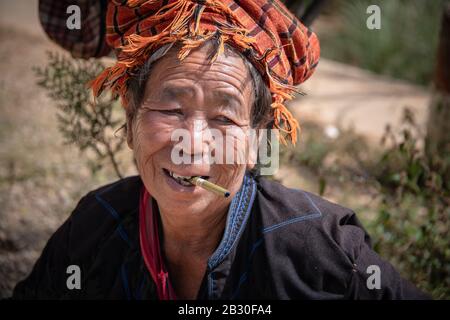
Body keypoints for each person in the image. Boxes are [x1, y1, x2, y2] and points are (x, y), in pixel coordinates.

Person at [13, 0, 428, 299]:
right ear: (130, 117)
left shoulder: (320, 250)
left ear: (256, 141)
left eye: (224, 120)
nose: (191, 144)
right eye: (171, 109)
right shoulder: (94, 229)